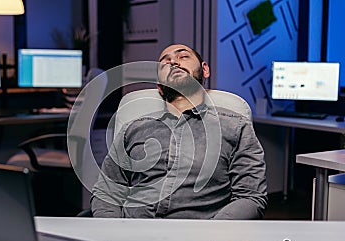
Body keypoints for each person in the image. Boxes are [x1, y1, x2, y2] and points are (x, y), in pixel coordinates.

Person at [90, 44, 267, 219]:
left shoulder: (235, 127)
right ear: (159, 85)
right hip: (136, 234)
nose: (173, 62)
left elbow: (250, 197)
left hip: (201, 237)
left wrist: (214, 232)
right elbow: (107, 192)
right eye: (165, 63)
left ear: (205, 70)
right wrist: (113, 232)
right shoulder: (133, 129)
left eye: (183, 56)